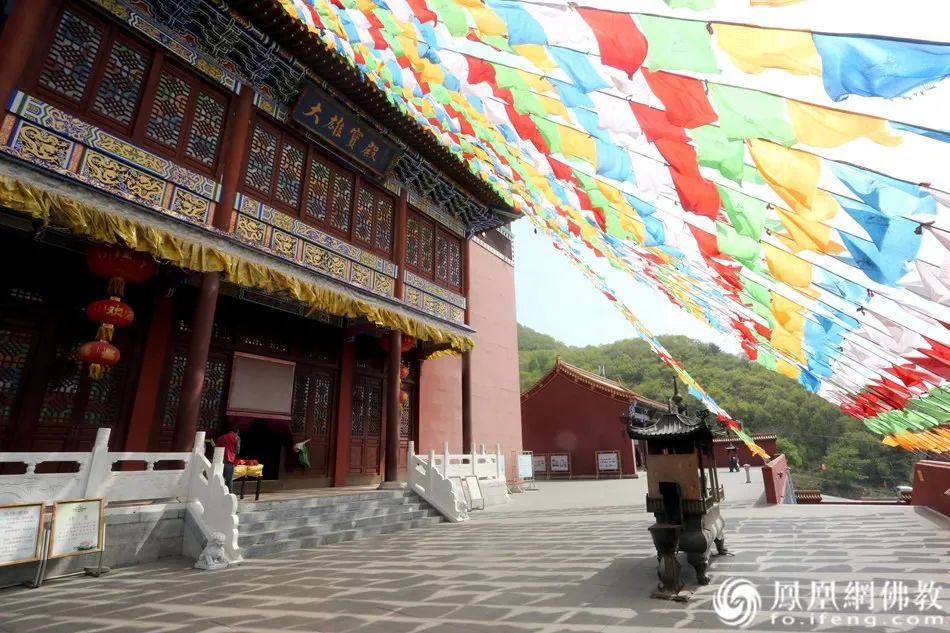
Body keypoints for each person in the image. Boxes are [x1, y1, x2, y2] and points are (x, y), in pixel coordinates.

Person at [216, 425, 240, 492]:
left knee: (219, 478)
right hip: (229, 461)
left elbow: (217, 447)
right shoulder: (236, 438)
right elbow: (237, 451)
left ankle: (219, 493)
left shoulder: (221, 438)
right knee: (229, 480)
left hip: (220, 460)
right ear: (237, 432)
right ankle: (229, 495)